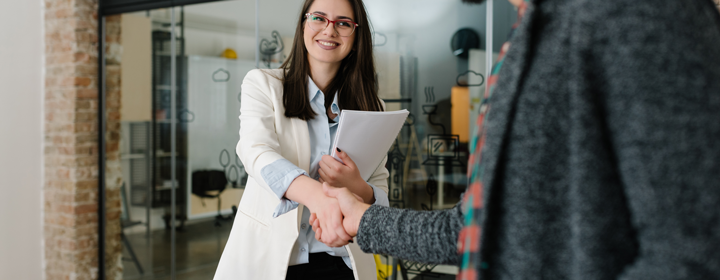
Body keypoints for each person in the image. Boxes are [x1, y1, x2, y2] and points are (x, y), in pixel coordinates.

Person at [311, 0, 720, 279]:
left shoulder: (644, 12)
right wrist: (363, 218)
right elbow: (475, 227)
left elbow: (691, 255)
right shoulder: (532, 35)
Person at [213, 0, 390, 279]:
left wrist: (358, 187)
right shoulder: (262, 84)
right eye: (319, 18)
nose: (329, 30)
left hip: (345, 265)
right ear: (303, 25)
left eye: (343, 23)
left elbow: (380, 197)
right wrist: (320, 198)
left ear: (356, 39)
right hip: (273, 263)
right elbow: (255, 151)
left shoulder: (371, 106)